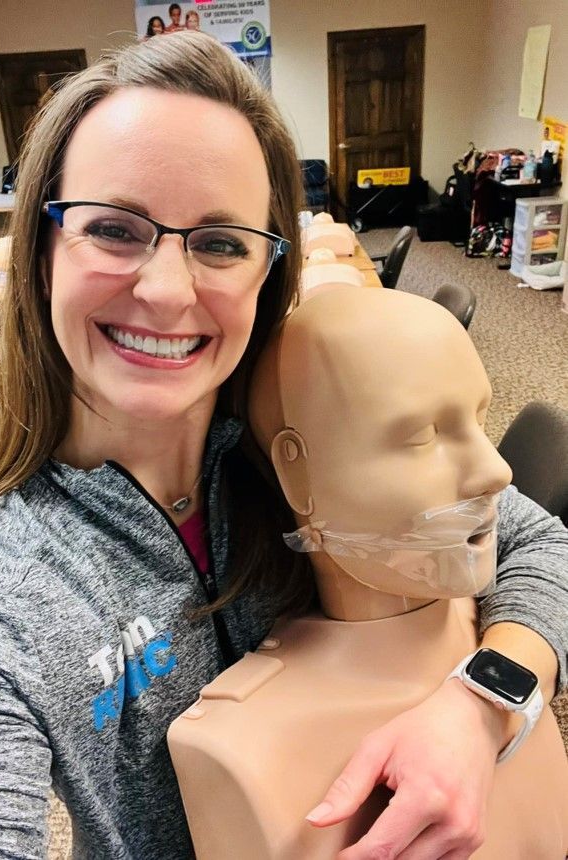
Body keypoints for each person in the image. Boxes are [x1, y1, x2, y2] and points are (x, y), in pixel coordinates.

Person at [0, 31, 565, 860]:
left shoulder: (306, 431)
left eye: (221, 243)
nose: (163, 288)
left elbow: (535, 539)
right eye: (115, 228)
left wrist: (480, 706)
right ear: (43, 252)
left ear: (268, 272)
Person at [169, 286, 568, 858]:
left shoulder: (512, 625)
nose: (497, 470)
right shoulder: (242, 747)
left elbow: (547, 542)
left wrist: (484, 701)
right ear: (296, 476)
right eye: (421, 436)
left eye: (479, 419)